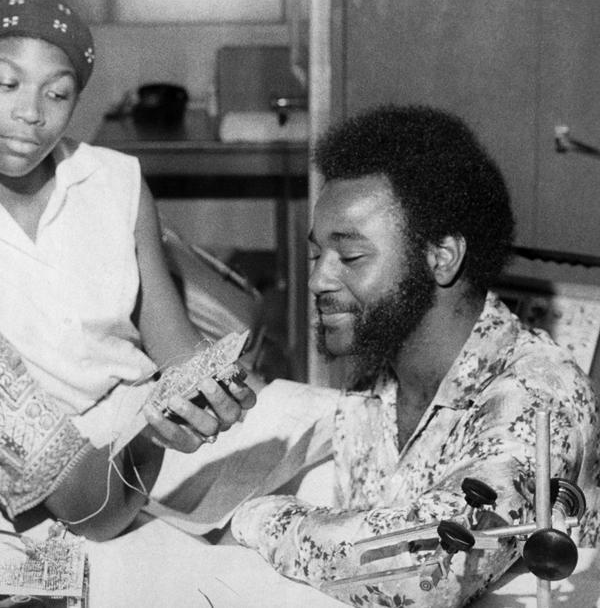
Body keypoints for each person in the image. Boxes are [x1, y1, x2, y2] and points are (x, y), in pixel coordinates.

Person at [226, 104, 599, 606]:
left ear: (441, 256)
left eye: (351, 257)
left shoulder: (541, 395)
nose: (318, 280)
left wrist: (257, 517)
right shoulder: (374, 383)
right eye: (318, 254)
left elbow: (424, 569)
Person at [0, 0, 256, 537]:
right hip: (35, 481)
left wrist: (216, 390)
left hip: (148, 428)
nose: (30, 113)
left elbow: (173, 344)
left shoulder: (113, 179)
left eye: (57, 94)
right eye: (6, 84)